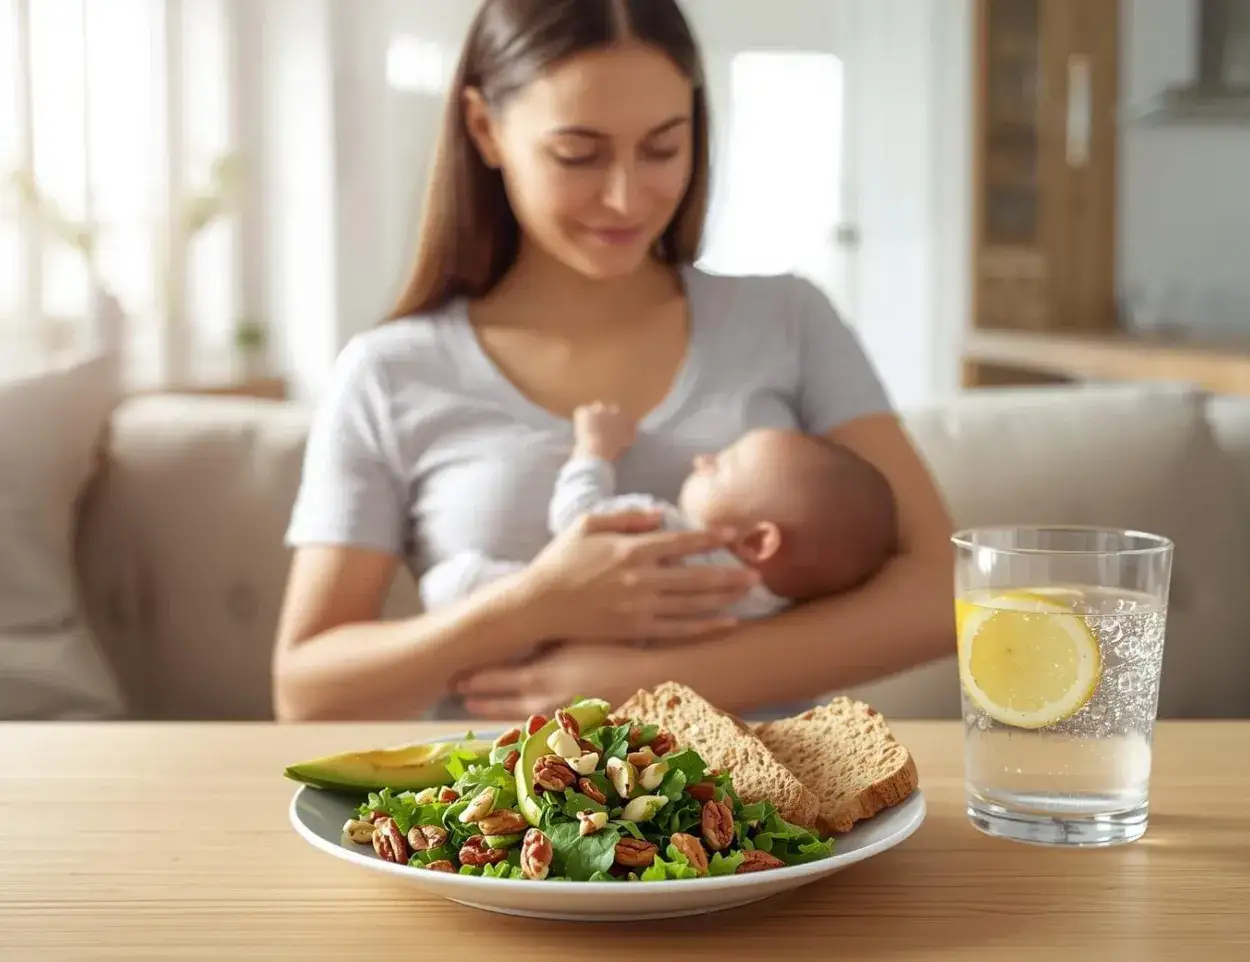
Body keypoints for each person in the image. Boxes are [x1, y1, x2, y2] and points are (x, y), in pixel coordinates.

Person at [271, 0, 956, 723]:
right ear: (484, 128)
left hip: (763, 793)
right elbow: (306, 692)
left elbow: (944, 593)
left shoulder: (788, 319)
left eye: (663, 148)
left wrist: (650, 685)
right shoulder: (390, 372)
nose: (626, 197)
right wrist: (534, 604)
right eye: (578, 154)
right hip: (507, 795)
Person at [421, 402, 899, 624]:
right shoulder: (769, 607)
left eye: (721, 465)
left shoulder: (660, 529)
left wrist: (595, 451)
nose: (702, 460)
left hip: (546, 637)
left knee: (451, 584)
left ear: (757, 541)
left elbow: (576, 521)